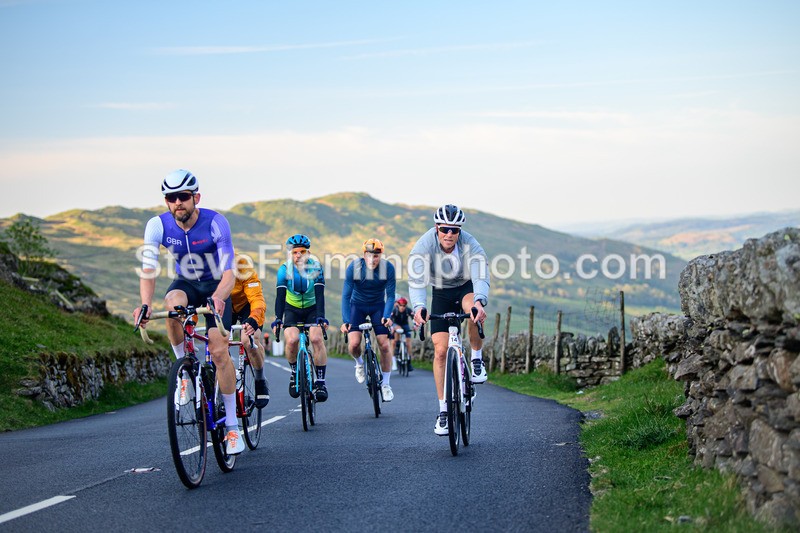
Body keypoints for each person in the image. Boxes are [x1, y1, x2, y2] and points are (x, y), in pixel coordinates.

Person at [133, 169, 244, 454]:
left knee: (218, 351)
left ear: (196, 197)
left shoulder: (216, 223)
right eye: (171, 198)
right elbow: (148, 270)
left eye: (183, 196)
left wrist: (218, 297)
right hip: (186, 284)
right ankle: (184, 369)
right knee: (171, 304)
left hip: (216, 286)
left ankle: (232, 426)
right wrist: (145, 304)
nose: (177, 202)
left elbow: (230, 272)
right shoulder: (157, 226)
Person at [408, 204, 490, 436]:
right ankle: (443, 411)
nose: (449, 234)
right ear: (437, 228)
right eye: (445, 229)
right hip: (441, 293)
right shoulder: (423, 246)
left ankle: (476, 360)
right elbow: (417, 281)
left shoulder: (470, 244)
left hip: (465, 288)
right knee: (441, 351)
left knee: (473, 311)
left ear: (459, 231)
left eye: (455, 230)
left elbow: (481, 274)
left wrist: (479, 301)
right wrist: (419, 307)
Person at [270, 234, 330, 402]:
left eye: (302, 252)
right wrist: (278, 318)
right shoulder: (284, 270)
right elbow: (280, 296)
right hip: (292, 309)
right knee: (291, 340)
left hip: (312, 308)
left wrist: (321, 317)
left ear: (308, 253)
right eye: (295, 252)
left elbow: (320, 294)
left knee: (316, 339)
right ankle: (294, 372)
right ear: (290, 254)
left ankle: (320, 382)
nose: (298, 256)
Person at [339, 238, 397, 401]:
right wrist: (346, 320)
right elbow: (346, 296)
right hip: (357, 305)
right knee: (354, 344)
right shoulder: (354, 267)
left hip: (378, 306)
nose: (372, 259)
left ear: (380, 256)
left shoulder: (388, 268)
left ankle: (386, 384)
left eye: (376, 256)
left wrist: (387, 315)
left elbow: (390, 295)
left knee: (384, 344)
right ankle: (359, 363)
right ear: (364, 255)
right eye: (369, 255)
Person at [231, 255, 270, 408]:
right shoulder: (206, 266)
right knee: (216, 345)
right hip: (224, 307)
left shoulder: (242, 265)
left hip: (247, 306)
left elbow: (256, 298)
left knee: (248, 341)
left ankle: (260, 379)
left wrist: (254, 317)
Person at [390, 297, 415, 371]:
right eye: (401, 305)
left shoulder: (408, 310)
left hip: (405, 325)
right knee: (393, 342)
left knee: (408, 343)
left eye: (404, 306)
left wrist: (415, 325)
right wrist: (392, 328)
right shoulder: (394, 310)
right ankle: (394, 362)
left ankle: (409, 361)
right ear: (398, 305)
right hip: (396, 325)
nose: (402, 307)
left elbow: (413, 318)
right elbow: (391, 320)